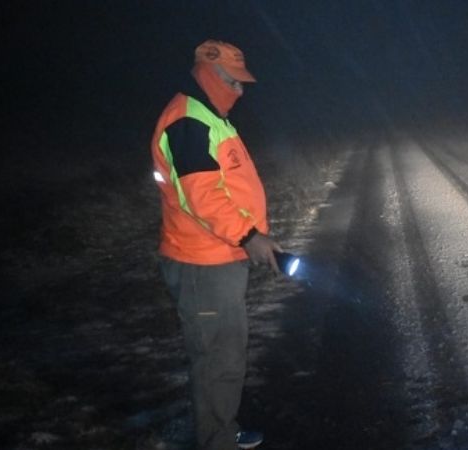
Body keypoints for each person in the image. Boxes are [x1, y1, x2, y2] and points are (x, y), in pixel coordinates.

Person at [150, 39, 281, 450]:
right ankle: (217, 441)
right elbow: (202, 195)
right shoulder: (189, 121)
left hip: (219, 256)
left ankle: (222, 429)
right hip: (201, 263)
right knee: (215, 358)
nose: (239, 92)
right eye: (232, 81)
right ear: (207, 73)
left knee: (226, 351)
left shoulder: (210, 116)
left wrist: (247, 239)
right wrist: (248, 236)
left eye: (243, 84)